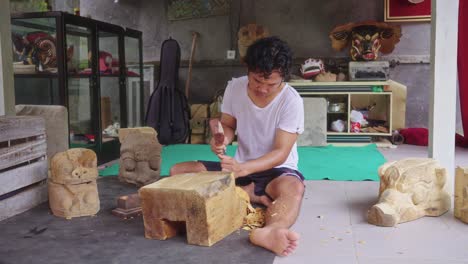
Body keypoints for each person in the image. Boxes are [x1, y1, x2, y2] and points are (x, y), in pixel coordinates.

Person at [170, 36, 305, 256]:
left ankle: (270, 230)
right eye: (256, 81)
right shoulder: (235, 87)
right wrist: (221, 137)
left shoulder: (291, 101)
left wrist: (245, 169)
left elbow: (281, 152)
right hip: (238, 167)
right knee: (179, 171)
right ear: (248, 69)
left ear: (283, 77)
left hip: (276, 172)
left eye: (270, 84)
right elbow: (228, 125)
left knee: (293, 189)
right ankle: (248, 192)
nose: (262, 89)